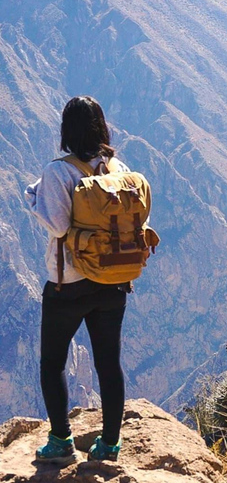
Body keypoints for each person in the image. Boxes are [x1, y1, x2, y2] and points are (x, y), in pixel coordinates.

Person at [25, 96, 130, 464]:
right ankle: (110, 445)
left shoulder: (58, 173)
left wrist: (32, 197)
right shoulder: (117, 168)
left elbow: (57, 225)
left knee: (53, 363)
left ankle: (61, 441)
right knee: (108, 363)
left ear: (66, 131)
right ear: (102, 127)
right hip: (114, 282)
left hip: (68, 285)